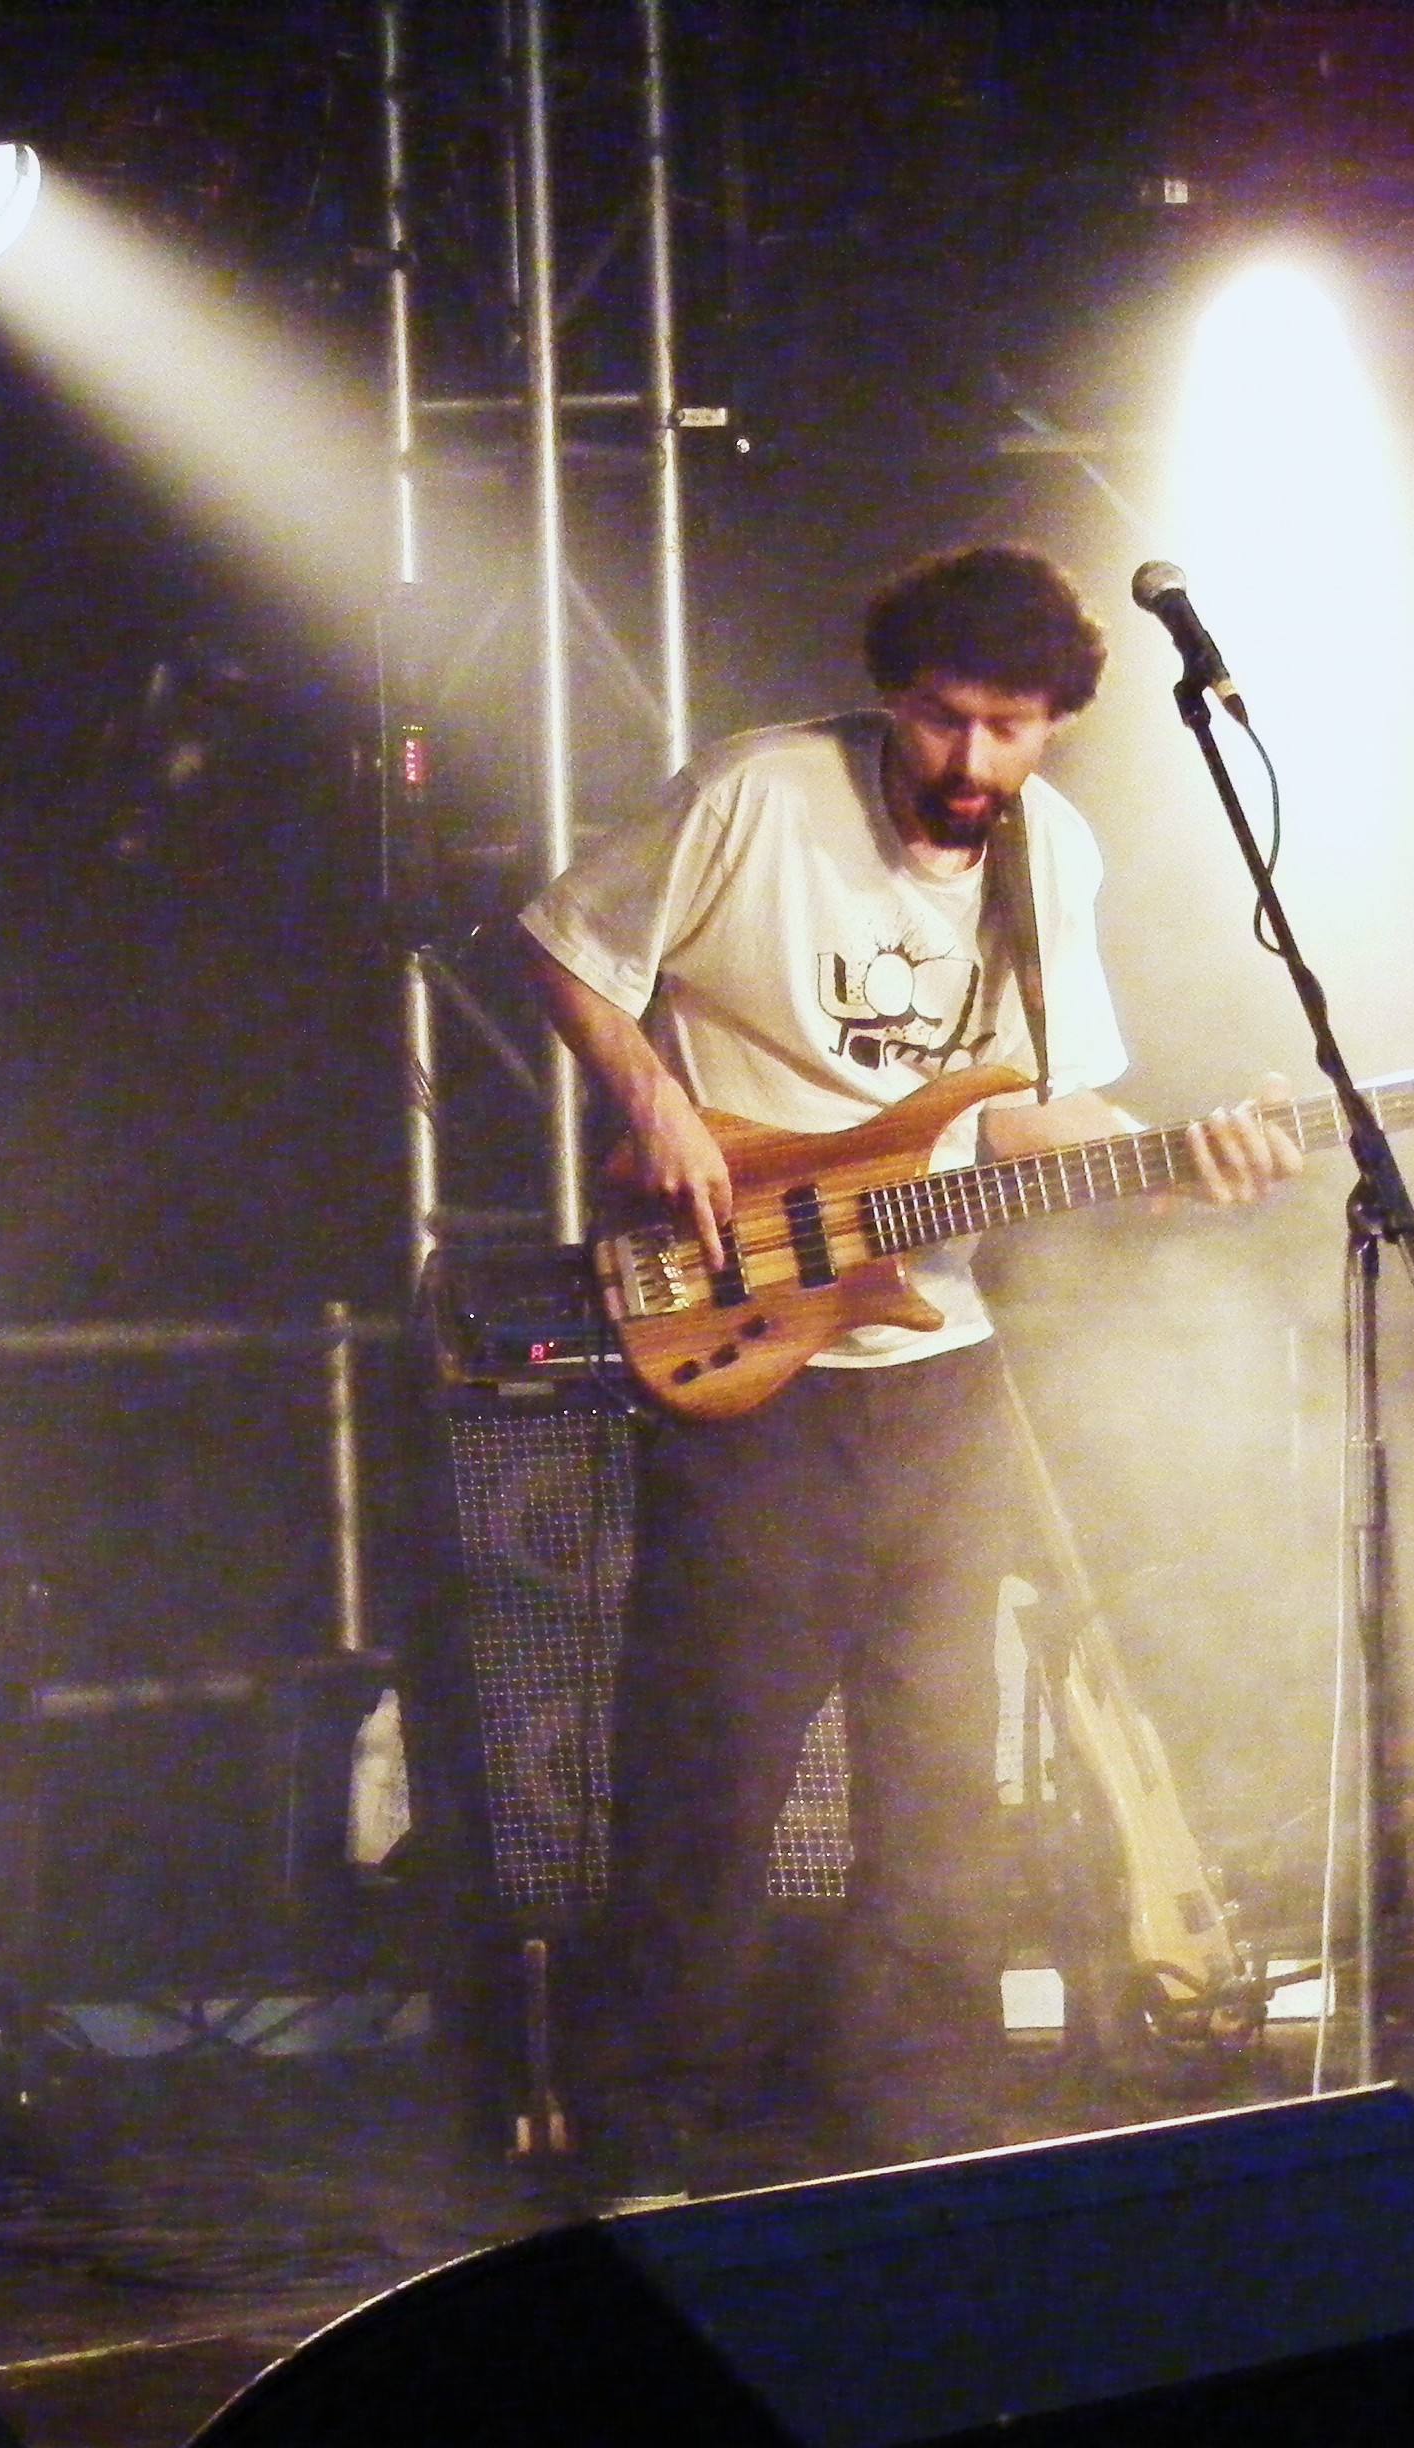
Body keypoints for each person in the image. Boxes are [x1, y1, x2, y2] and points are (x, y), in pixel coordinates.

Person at [519, 544, 1298, 2178]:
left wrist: (1184, 1151)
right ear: (892, 698)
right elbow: (566, 942)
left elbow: (1028, 1104)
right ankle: (646, 2142)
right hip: (755, 1349)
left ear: (1064, 725)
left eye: (1013, 730)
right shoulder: (760, 796)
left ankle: (920, 2136)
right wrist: (653, 1097)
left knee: (942, 1779)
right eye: (945, 723)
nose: (973, 765)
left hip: (939, 1359)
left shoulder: (1049, 853)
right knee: (712, 1772)